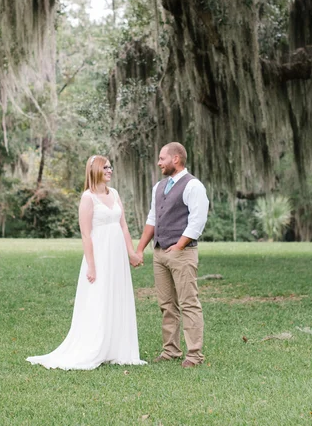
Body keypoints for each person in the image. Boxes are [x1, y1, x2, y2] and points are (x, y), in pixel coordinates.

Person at [27, 155, 146, 370]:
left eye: (111, 166)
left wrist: (131, 253)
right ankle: (95, 345)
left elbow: (124, 226)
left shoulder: (115, 194)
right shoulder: (88, 198)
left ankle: (118, 348)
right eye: (106, 167)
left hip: (117, 255)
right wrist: (91, 265)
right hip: (99, 255)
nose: (110, 170)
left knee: (117, 296)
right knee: (98, 298)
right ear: (95, 170)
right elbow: (86, 234)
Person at [134, 142, 209, 368]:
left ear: (175, 159)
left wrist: (179, 246)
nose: (159, 163)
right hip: (159, 253)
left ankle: (194, 354)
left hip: (182, 254)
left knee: (189, 303)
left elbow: (198, 220)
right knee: (167, 304)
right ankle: (171, 350)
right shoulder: (159, 186)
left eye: (162, 158)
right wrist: (140, 248)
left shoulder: (193, 186)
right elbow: (152, 219)